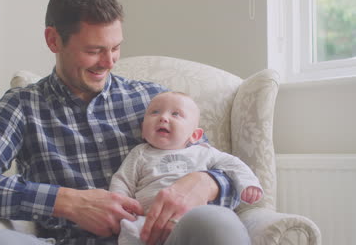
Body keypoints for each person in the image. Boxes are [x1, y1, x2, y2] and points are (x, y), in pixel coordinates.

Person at [0, 0, 249, 244]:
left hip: (153, 239)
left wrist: (206, 183)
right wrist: (68, 202)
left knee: (216, 222)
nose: (109, 61)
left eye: (115, 47)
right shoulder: (22, 105)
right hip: (65, 240)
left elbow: (227, 172)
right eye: (94, 50)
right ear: (53, 40)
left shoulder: (155, 102)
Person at [109, 91, 263, 245]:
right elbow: (123, 180)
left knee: (215, 221)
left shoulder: (204, 152)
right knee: (128, 230)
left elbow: (233, 165)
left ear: (195, 135)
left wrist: (248, 183)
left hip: (195, 221)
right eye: (155, 112)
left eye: (176, 114)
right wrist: (120, 207)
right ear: (143, 130)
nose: (163, 117)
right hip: (147, 222)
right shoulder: (140, 153)